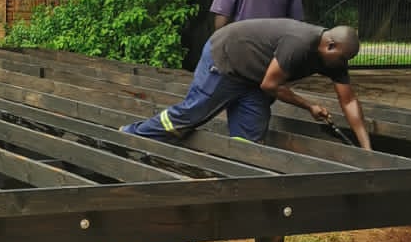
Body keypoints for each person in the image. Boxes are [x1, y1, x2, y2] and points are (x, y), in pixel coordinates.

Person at [120, 17, 372, 149]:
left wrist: (366, 149)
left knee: (249, 139)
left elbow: (348, 100)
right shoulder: (299, 43)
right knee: (193, 114)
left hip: (255, 79)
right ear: (330, 46)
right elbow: (270, 85)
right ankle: (130, 136)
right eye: (342, 57)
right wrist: (309, 106)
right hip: (227, 60)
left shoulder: (335, 60)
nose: (343, 64)